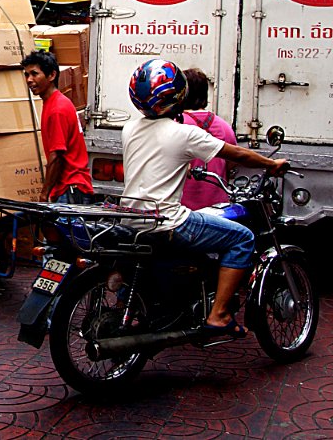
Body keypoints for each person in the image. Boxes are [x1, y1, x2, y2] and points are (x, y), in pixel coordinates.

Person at [122, 59, 287, 337]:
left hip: (133, 218)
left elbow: (158, 158)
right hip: (169, 222)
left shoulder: (130, 128)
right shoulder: (184, 134)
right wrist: (270, 164)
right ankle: (219, 314)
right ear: (177, 95)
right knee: (243, 238)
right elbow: (237, 154)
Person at [21, 50, 94, 203]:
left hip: (71, 190)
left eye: (34, 74)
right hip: (68, 189)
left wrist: (44, 194)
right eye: (26, 75)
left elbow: (57, 156)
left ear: (52, 75)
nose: (29, 80)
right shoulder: (52, 103)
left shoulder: (57, 109)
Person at [179, 68, 237, 210]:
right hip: (217, 208)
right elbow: (232, 163)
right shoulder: (223, 126)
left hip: (182, 210)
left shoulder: (176, 123)